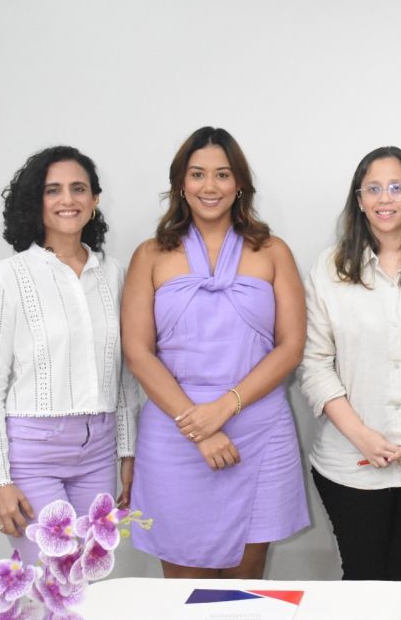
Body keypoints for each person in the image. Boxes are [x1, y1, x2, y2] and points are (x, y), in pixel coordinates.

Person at [123, 127, 309, 578]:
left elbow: (292, 346)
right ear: (181, 184)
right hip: (175, 432)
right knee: (184, 594)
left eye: (223, 175)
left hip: (258, 430)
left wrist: (225, 408)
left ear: (239, 183)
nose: (210, 187)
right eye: (198, 174)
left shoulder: (273, 251)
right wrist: (199, 426)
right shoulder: (149, 255)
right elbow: (137, 351)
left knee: (244, 592)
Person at [298, 146, 401, 581]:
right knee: (364, 581)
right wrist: (363, 437)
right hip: (350, 465)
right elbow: (314, 364)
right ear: (359, 200)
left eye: (396, 187)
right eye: (373, 188)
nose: (385, 198)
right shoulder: (328, 268)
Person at [0, 146, 138, 564]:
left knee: (90, 579)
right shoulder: (6, 278)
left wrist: (127, 452)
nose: (68, 200)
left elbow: (124, 375)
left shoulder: (114, 273)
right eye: (53, 190)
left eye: (79, 189)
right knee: (51, 580)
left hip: (98, 451)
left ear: (94, 201)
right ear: (36, 202)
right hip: (32, 453)